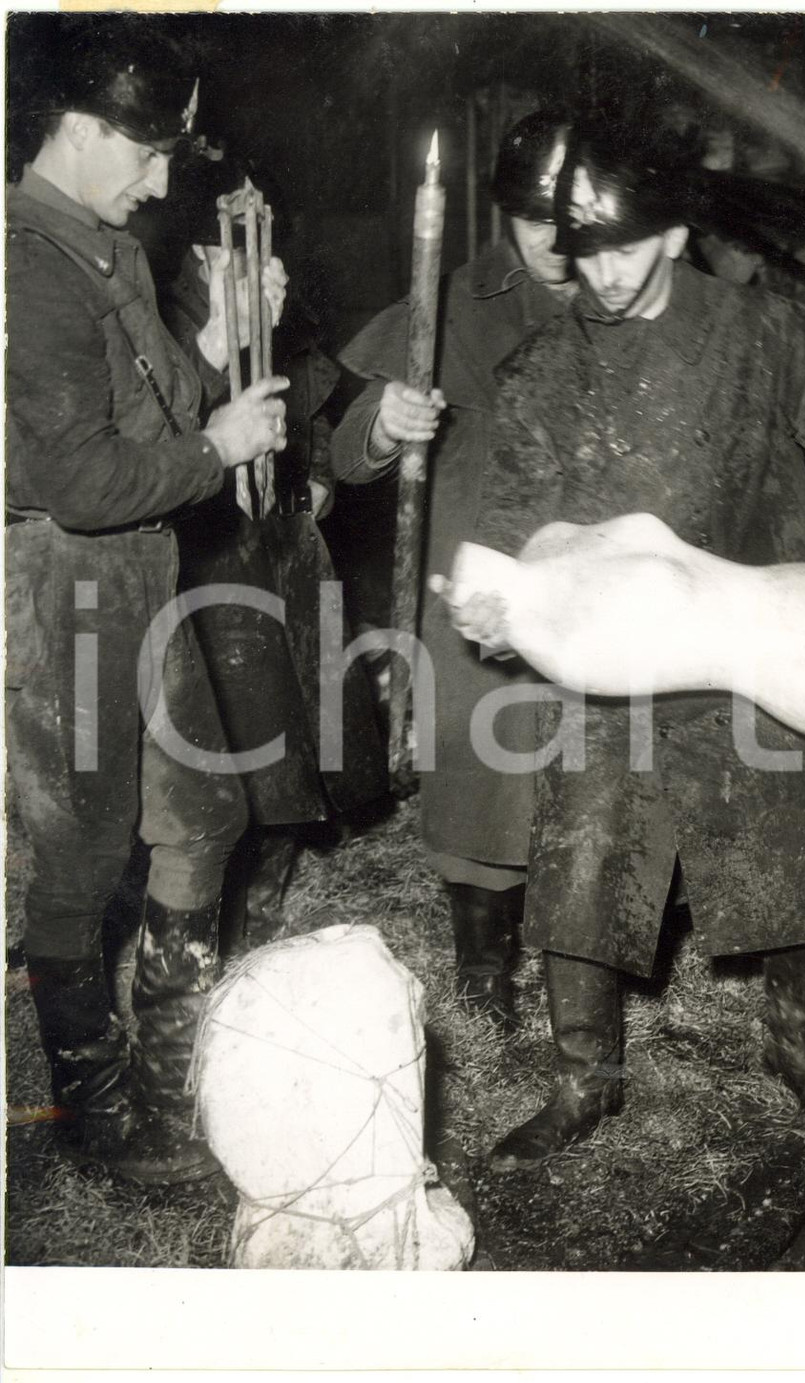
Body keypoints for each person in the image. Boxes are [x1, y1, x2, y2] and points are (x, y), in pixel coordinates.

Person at [472, 119, 805, 1170]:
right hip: (625, 654)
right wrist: (504, 605)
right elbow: (518, 520)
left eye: (623, 247)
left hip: (768, 629)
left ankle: (795, 1038)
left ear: (671, 233)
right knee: (584, 854)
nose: (601, 273)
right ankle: (583, 1083)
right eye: (583, 249)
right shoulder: (541, 372)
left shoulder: (755, 335)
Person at [6, 24, 290, 1183]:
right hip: (61, 583)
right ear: (80, 130)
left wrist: (218, 344)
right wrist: (219, 445)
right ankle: (95, 1117)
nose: (164, 180)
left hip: (136, 572)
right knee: (76, 855)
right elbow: (77, 480)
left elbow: (154, 415)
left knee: (200, 821)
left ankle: (174, 1088)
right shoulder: (26, 263)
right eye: (148, 152)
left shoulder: (97, 246)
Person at [329, 110, 576, 1030]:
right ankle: (483, 959)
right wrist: (386, 425)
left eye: (572, 216)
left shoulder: (635, 297)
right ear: (504, 213)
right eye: (532, 217)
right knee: (482, 764)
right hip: (478, 572)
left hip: (596, 570)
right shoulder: (462, 300)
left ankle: (591, 957)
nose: (555, 240)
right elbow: (349, 450)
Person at [156, 149, 388, 956]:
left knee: (314, 725)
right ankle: (230, 905)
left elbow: (313, 406)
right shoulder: (168, 322)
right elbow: (168, 427)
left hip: (288, 543)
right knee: (245, 732)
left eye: (265, 235)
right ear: (199, 250)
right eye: (232, 241)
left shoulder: (284, 306)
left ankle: (273, 887)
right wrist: (229, 337)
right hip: (214, 557)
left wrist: (318, 474)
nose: (256, 261)